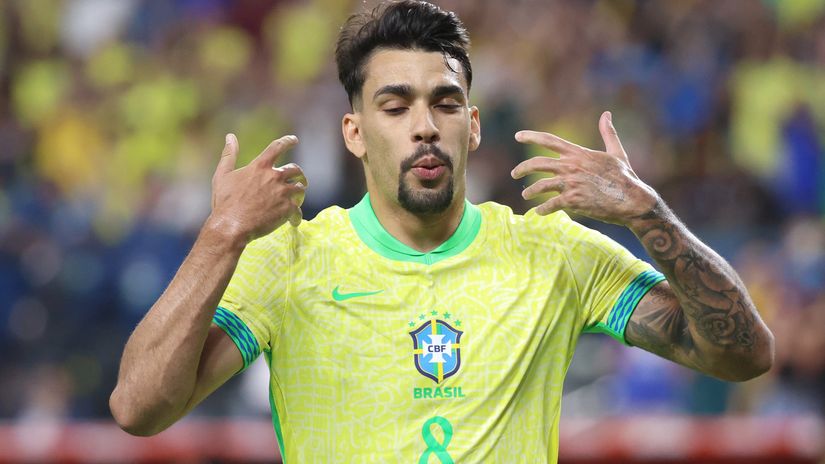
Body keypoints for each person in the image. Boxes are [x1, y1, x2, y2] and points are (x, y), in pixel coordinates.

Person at [109, 1, 774, 462]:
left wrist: (649, 214)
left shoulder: (554, 251)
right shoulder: (292, 261)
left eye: (445, 103)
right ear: (354, 133)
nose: (424, 125)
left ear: (472, 125)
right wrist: (221, 235)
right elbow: (139, 410)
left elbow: (742, 356)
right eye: (395, 106)